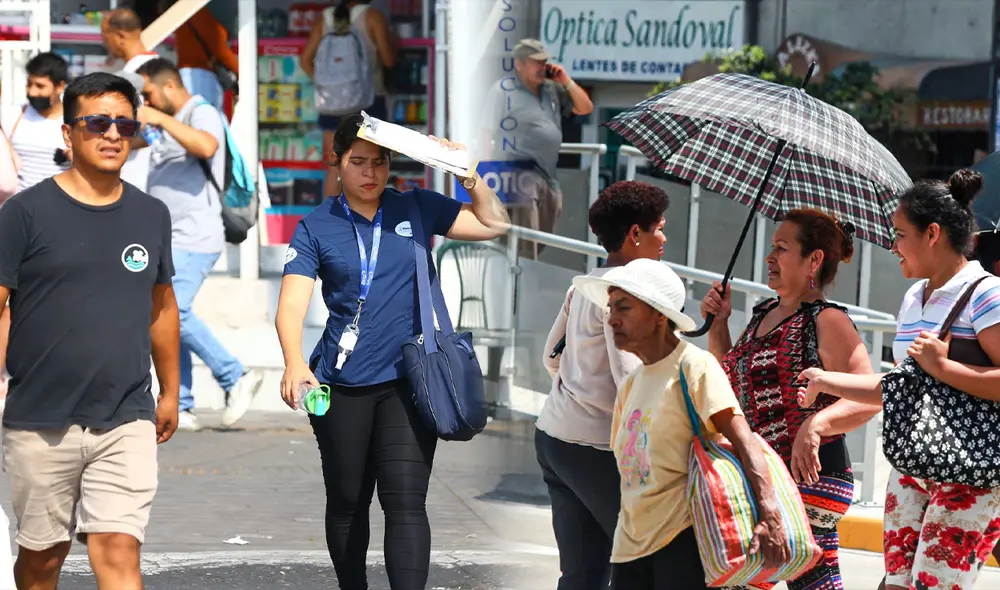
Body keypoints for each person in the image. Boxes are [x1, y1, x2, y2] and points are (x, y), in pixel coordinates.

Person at [275, 114, 507, 588]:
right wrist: (295, 362)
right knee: (347, 501)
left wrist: (466, 174)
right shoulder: (316, 226)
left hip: (409, 381)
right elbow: (291, 304)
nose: (370, 173)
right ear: (337, 163)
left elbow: (494, 224)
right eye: (357, 162)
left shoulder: (416, 207)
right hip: (341, 386)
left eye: (379, 163)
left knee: (405, 502)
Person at [0, 71, 179, 590]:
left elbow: (162, 307)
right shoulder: (23, 214)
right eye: (97, 122)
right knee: (41, 562)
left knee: (119, 550)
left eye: (125, 124)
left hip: (126, 415)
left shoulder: (151, 214)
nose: (113, 134)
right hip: (40, 419)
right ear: (68, 133)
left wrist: (169, 391)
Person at [797, 170, 1000, 590]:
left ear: (932, 233)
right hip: (912, 462)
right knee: (894, 584)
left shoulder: (986, 294)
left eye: (899, 234)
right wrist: (824, 380)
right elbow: (902, 386)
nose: (892, 246)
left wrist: (945, 368)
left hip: (972, 471)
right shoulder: (912, 298)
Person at [571, 258, 789, 588]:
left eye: (624, 307)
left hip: (682, 544)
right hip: (629, 549)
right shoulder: (632, 383)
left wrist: (770, 513)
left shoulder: (694, 366)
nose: (612, 318)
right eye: (611, 307)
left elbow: (744, 440)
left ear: (660, 315)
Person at [699, 209, 879, 590]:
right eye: (771, 247)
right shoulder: (764, 312)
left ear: (814, 259)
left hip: (809, 474)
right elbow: (730, 383)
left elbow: (870, 396)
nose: (770, 258)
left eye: (782, 248)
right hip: (767, 473)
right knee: (785, 577)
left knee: (744, 575)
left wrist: (816, 425)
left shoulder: (827, 319)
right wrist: (718, 325)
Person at [536, 180, 666, 590]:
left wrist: (579, 393)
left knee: (581, 573)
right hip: (596, 451)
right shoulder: (627, 292)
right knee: (641, 563)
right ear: (635, 234)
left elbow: (550, 357)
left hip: (555, 439)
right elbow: (630, 377)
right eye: (659, 228)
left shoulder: (585, 284)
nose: (664, 238)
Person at [136, 57, 263, 431]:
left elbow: (207, 147)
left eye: (148, 94)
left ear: (169, 86)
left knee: (171, 313)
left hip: (196, 235)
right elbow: (134, 140)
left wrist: (160, 119)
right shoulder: (165, 123)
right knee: (167, 315)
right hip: (168, 238)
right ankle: (184, 402)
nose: (147, 102)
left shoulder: (200, 112)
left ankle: (234, 375)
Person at [482, 38, 594, 259]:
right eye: (537, 62)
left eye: (545, 62)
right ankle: (519, 284)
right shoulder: (503, 91)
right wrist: (484, 179)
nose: (543, 67)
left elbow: (586, 108)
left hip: (548, 176)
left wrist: (566, 80)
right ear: (519, 64)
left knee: (541, 236)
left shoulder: (552, 90)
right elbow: (486, 133)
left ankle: (511, 273)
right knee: (525, 241)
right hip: (517, 173)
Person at [300, 0, 396, 199]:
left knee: (335, 167)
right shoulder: (372, 17)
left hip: (332, 106)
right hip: (369, 102)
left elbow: (304, 60)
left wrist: (328, 86)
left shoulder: (325, 18)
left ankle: (327, 224)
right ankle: (366, 220)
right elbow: (388, 59)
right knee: (370, 165)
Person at [1, 52, 72, 193]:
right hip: (19, 208)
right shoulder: (14, 116)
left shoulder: (75, 122)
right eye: (29, 84)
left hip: (59, 206)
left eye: (40, 86)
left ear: (60, 86)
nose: (32, 92)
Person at [165, 1, 240, 110]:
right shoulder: (199, 11)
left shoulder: (188, 9)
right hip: (200, 76)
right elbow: (219, 49)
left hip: (191, 73)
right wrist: (242, 73)